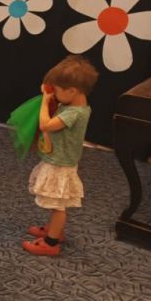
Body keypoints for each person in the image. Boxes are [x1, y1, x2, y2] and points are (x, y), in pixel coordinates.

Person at [23, 56, 98, 256]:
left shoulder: (74, 113)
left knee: (58, 206)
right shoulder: (73, 105)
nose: (53, 94)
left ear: (72, 91)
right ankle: (54, 230)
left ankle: (51, 242)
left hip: (61, 165)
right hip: (60, 160)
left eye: (56, 90)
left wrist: (45, 102)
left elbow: (45, 125)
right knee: (55, 201)